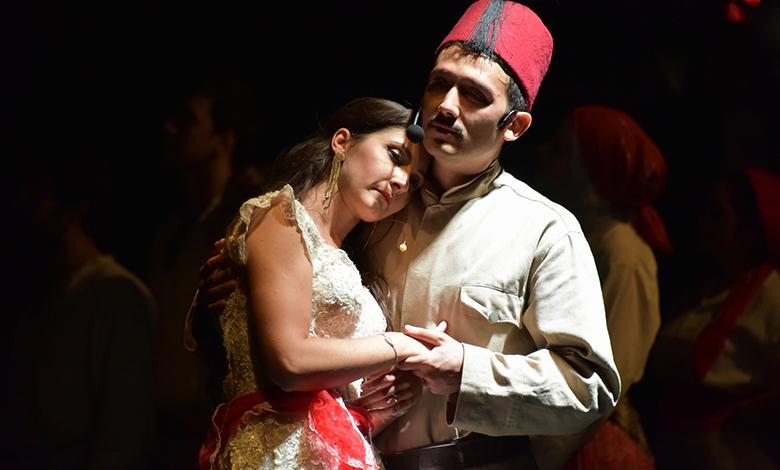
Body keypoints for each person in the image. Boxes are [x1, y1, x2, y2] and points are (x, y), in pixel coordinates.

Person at [197, 2, 620, 469]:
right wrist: (240, 284)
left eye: (475, 95)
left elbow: (590, 387)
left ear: (514, 125)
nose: (447, 105)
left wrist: (468, 371)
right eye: (440, 84)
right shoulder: (374, 200)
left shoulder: (542, 229)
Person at [190, 97, 434, 470]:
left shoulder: (352, 260)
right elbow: (289, 362)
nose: (402, 181)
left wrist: (385, 402)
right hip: (274, 455)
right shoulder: (281, 215)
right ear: (342, 142)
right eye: (395, 155)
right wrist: (397, 345)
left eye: (414, 182)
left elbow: (334, 407)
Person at [533, 106, 672, 469]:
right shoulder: (581, 237)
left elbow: (611, 372)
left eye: (559, 150)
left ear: (588, 173)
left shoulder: (623, 252)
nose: (542, 152)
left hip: (585, 440)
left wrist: (544, 453)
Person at [1, 151, 156, 470]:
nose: (22, 205)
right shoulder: (45, 294)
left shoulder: (116, 295)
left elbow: (122, 431)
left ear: (76, 210)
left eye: (40, 194)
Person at [148, 77, 268, 468]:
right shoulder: (173, 233)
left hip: (220, 424)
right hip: (166, 427)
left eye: (188, 120)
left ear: (224, 140)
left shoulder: (250, 223)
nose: (170, 128)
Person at [648, 167, 780, 470]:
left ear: (751, 228)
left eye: (718, 215)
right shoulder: (702, 293)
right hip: (679, 447)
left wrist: (748, 411)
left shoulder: (773, 296)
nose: (703, 222)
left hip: (735, 452)